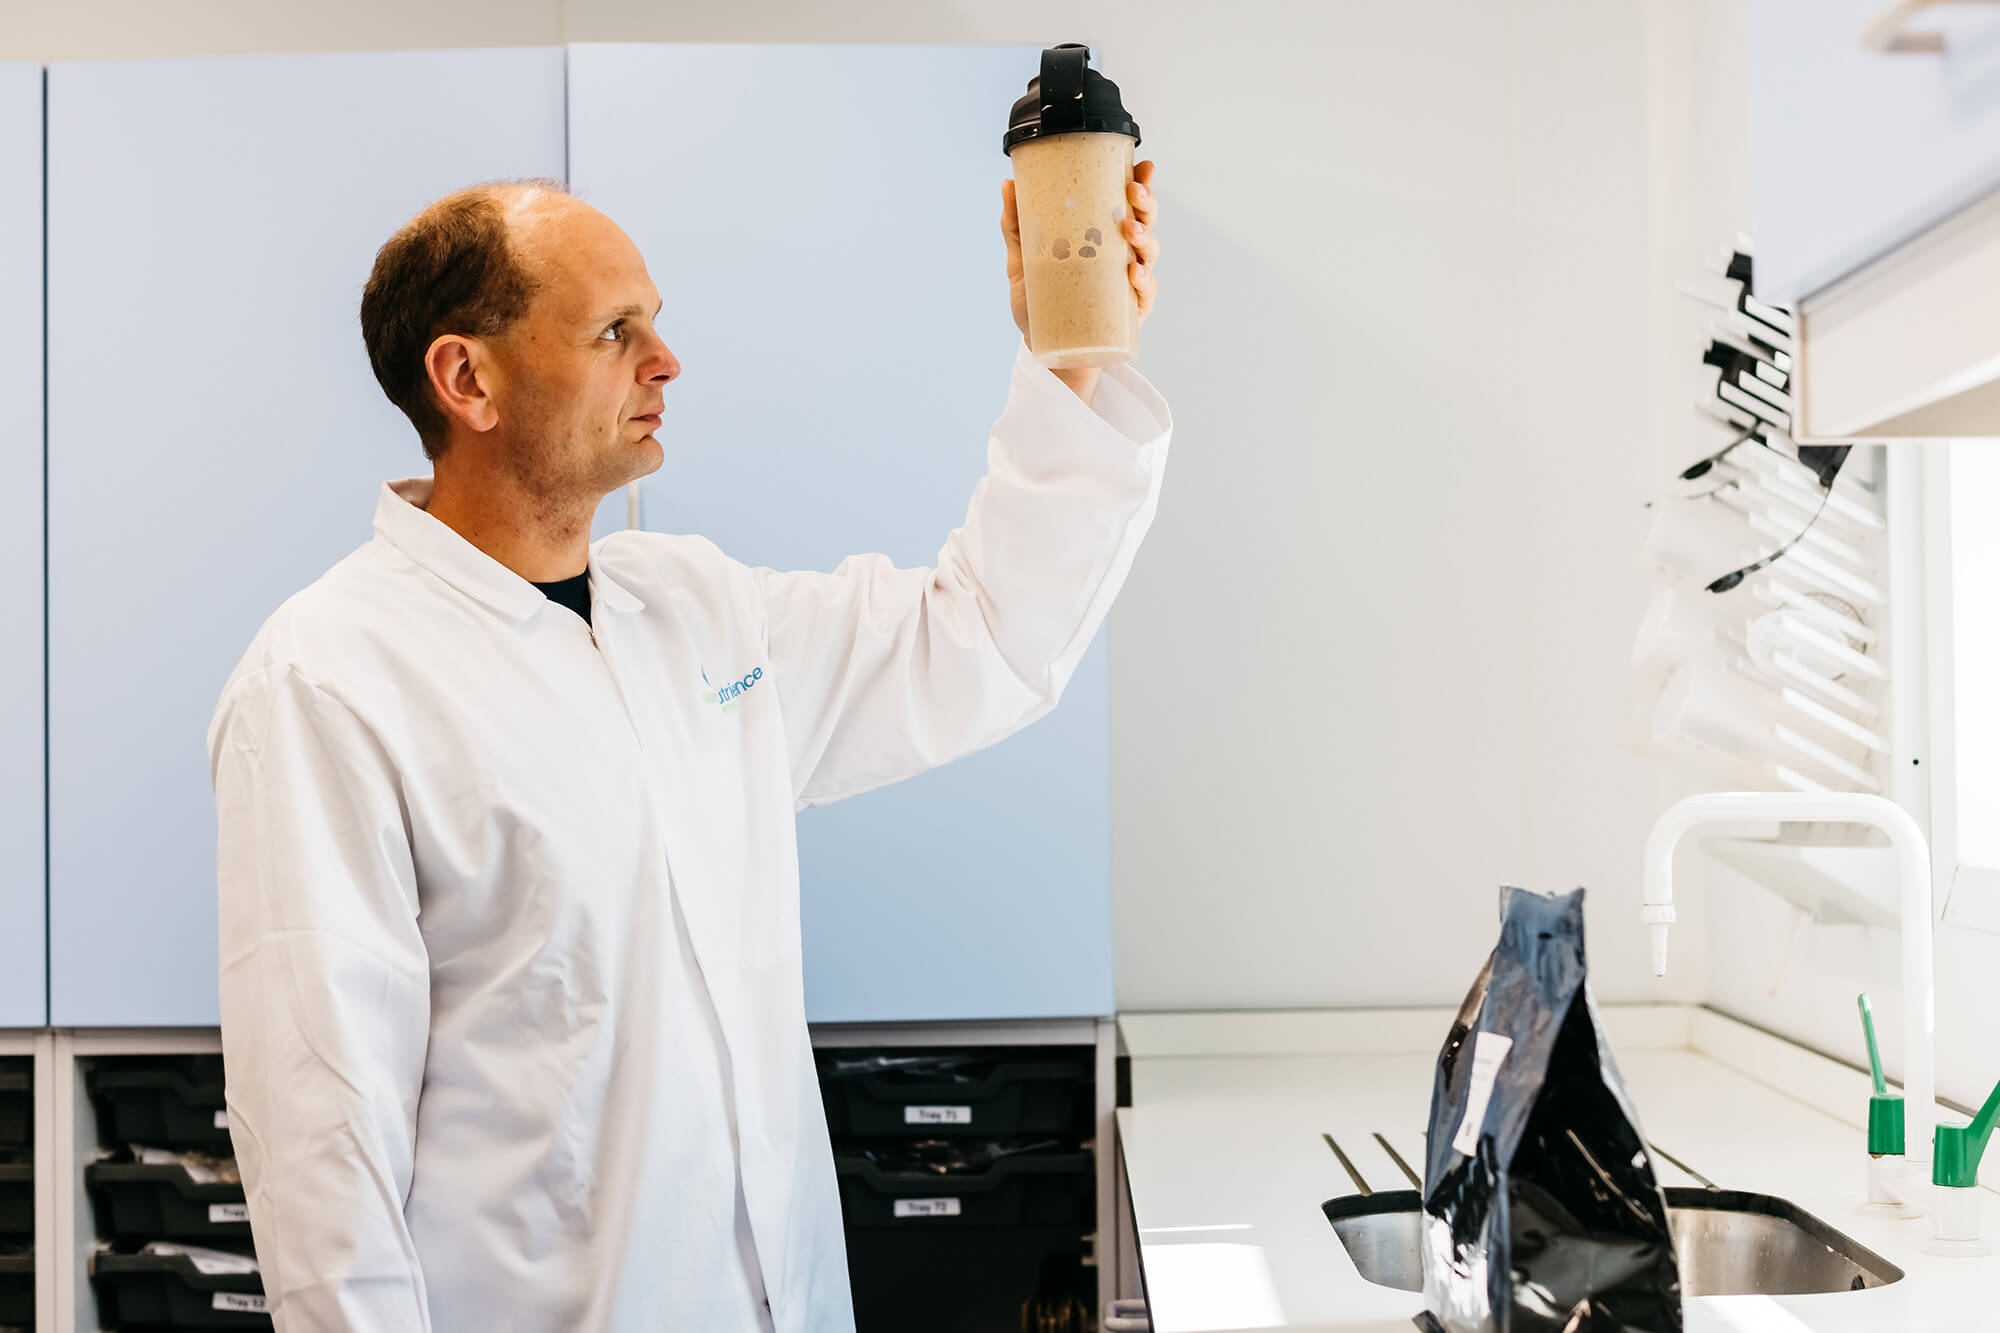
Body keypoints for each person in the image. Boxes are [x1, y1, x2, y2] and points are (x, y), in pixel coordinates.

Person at [206, 165, 1170, 1331]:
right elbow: (322, 1139)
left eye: (653, 324)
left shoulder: (694, 610)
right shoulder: (328, 676)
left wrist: (1068, 361)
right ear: (468, 377)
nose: (664, 362)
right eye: (616, 331)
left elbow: (974, 642)